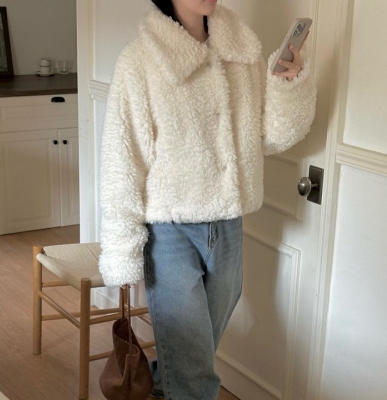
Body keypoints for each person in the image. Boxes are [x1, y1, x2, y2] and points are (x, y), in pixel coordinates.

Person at [98, 0, 316, 399]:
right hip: (169, 230)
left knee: (191, 354)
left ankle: (167, 385)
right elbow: (123, 161)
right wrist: (121, 251)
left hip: (228, 222)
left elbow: (269, 138)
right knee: (194, 370)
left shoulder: (242, 52)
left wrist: (288, 86)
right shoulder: (140, 61)